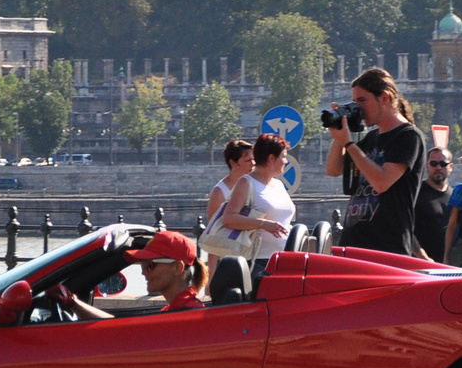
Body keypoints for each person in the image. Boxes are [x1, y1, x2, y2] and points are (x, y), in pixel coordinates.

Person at [325, 67, 425, 256]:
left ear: (384, 98)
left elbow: (382, 182)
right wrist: (338, 133)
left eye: (363, 101)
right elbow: (333, 169)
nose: (359, 109)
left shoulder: (408, 136)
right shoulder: (371, 138)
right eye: (355, 102)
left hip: (387, 247)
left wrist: (348, 142)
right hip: (353, 244)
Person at [55, 231, 208, 319]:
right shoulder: (177, 310)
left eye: (149, 264)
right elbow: (121, 329)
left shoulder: (187, 315)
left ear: (177, 268)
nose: (143, 271)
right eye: (142, 264)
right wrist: (72, 302)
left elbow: (121, 333)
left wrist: (72, 302)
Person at [218, 133, 294, 266]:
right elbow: (228, 218)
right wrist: (263, 224)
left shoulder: (279, 184)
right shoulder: (246, 182)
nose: (286, 161)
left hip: (284, 258)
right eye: (284, 157)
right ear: (271, 158)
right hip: (258, 260)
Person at [203, 138, 254, 282]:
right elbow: (214, 236)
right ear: (233, 163)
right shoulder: (220, 192)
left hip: (251, 258)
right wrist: (211, 276)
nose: (253, 164)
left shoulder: (254, 185)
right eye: (247, 161)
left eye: (253, 160)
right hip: (228, 262)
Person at [414, 147, 452, 261]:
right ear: (427, 166)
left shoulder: (455, 196)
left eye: (443, 163)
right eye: (433, 163)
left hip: (448, 266)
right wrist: (423, 257)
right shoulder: (416, 193)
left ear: (451, 167)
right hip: (421, 265)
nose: (438, 167)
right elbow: (406, 230)